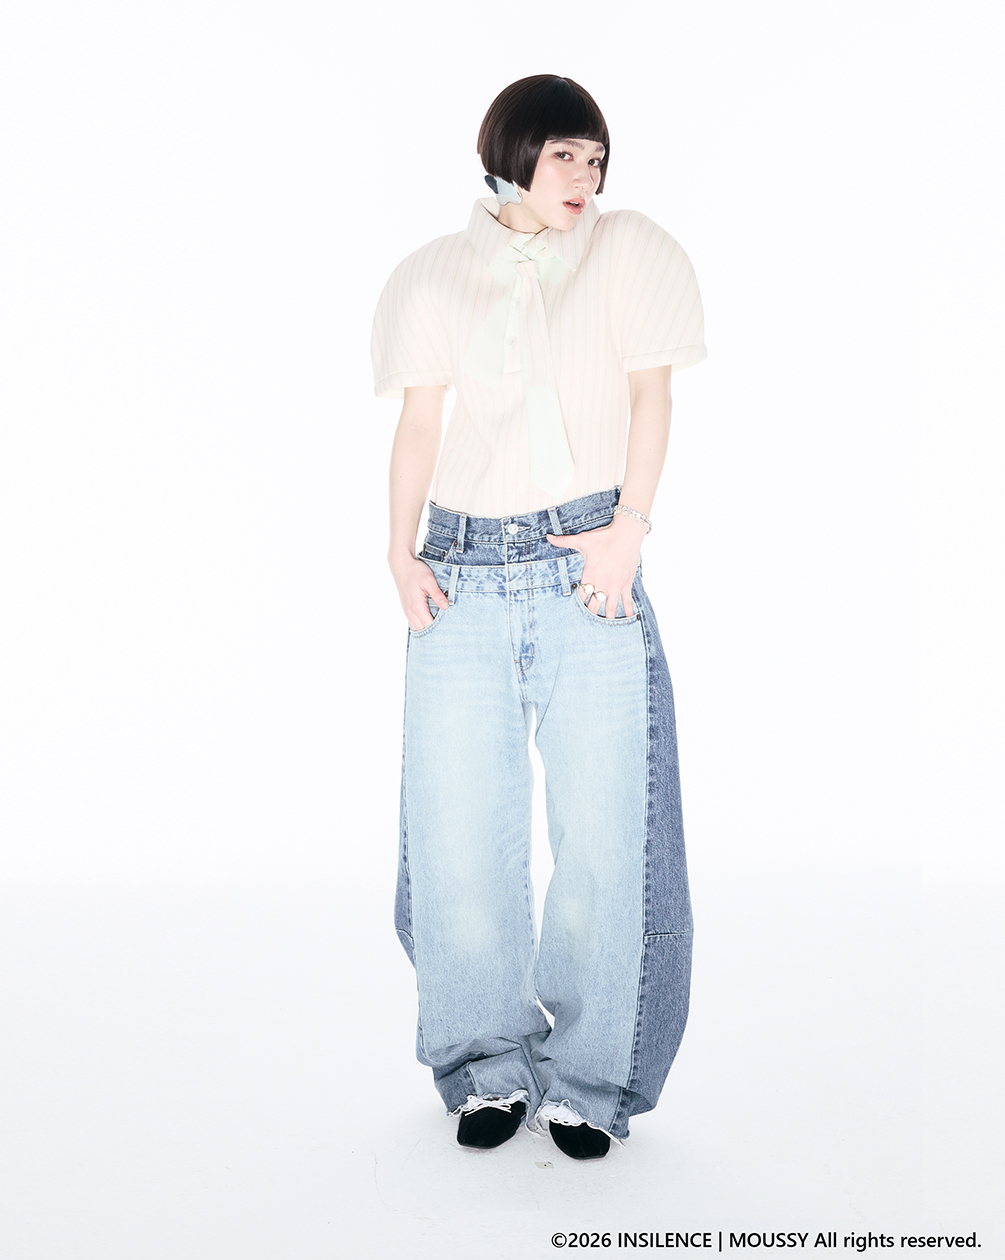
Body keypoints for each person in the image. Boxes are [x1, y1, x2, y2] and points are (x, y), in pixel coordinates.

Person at [371, 74, 707, 1161]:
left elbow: (653, 397)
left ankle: (593, 1081)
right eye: (565, 154)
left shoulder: (632, 250)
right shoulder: (432, 274)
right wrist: (400, 552)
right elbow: (420, 425)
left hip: (586, 563)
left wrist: (628, 532)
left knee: (610, 831)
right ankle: (486, 1067)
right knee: (458, 832)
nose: (584, 177)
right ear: (511, 153)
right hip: (459, 570)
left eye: (595, 159)